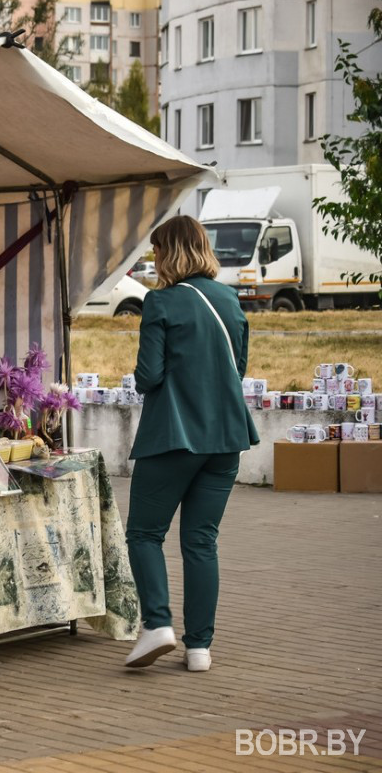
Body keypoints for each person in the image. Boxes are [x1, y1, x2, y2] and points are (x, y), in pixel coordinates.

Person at [123, 215, 258, 672]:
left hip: (173, 437)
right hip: (226, 438)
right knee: (201, 542)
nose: (155, 258)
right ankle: (199, 647)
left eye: (157, 249)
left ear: (170, 252)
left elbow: (148, 377)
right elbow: (236, 369)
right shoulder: (230, 299)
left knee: (144, 534)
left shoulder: (159, 302)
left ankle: (158, 624)